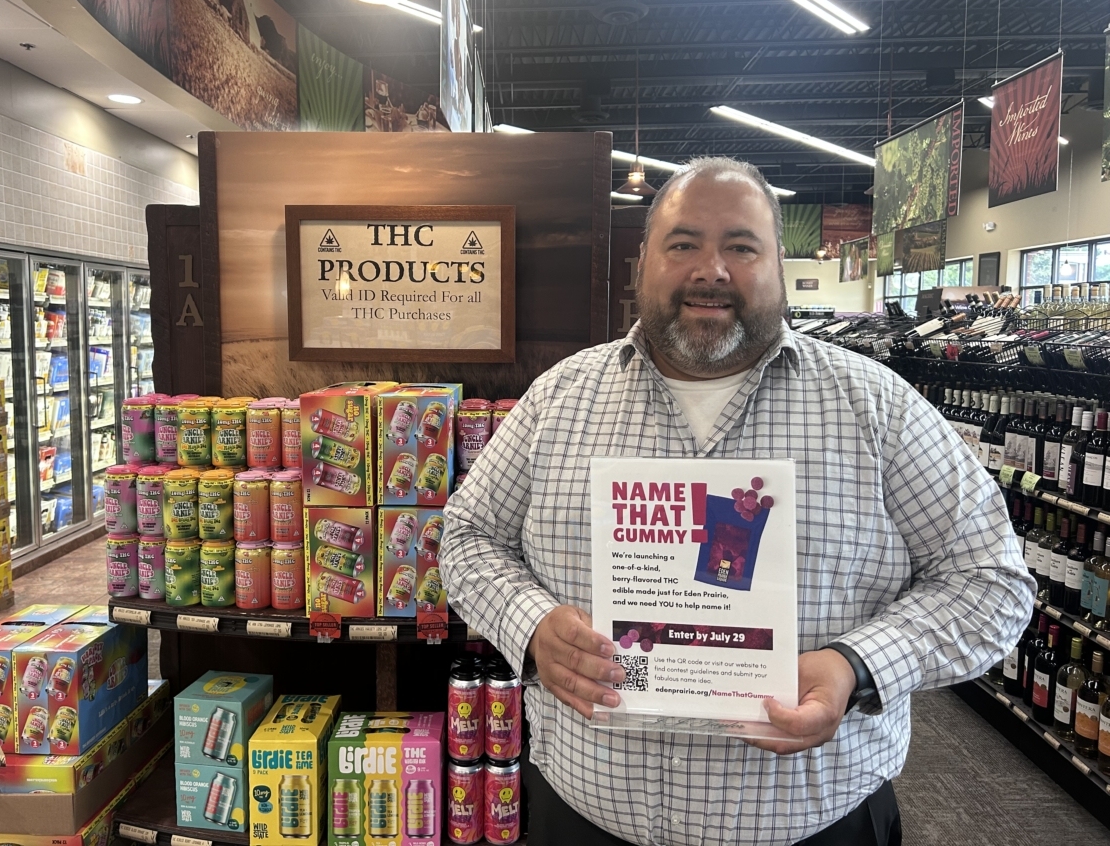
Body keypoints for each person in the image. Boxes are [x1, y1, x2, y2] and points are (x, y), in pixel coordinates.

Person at [438, 156, 1035, 846]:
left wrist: (857, 666)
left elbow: (992, 583)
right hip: (583, 820)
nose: (711, 269)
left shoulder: (877, 408)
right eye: (684, 243)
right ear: (644, 263)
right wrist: (532, 627)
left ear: (777, 265)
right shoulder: (558, 400)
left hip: (819, 827)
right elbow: (468, 537)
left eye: (741, 247)